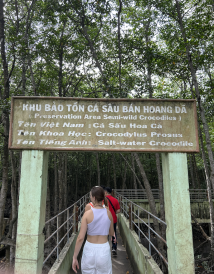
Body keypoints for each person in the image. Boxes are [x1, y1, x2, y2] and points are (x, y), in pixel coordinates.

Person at [72, 186, 114, 274]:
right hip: (104, 249)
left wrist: (75, 257)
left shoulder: (87, 214)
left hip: (89, 249)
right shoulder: (108, 213)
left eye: (90, 196)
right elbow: (111, 232)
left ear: (94, 198)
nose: (90, 198)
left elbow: (80, 238)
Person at [104, 187, 120, 255]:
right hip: (113, 219)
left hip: (105, 220)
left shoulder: (103, 200)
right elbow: (118, 210)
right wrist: (113, 213)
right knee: (114, 233)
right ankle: (114, 248)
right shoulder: (115, 200)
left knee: (105, 234)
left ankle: (105, 248)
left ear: (106, 192)